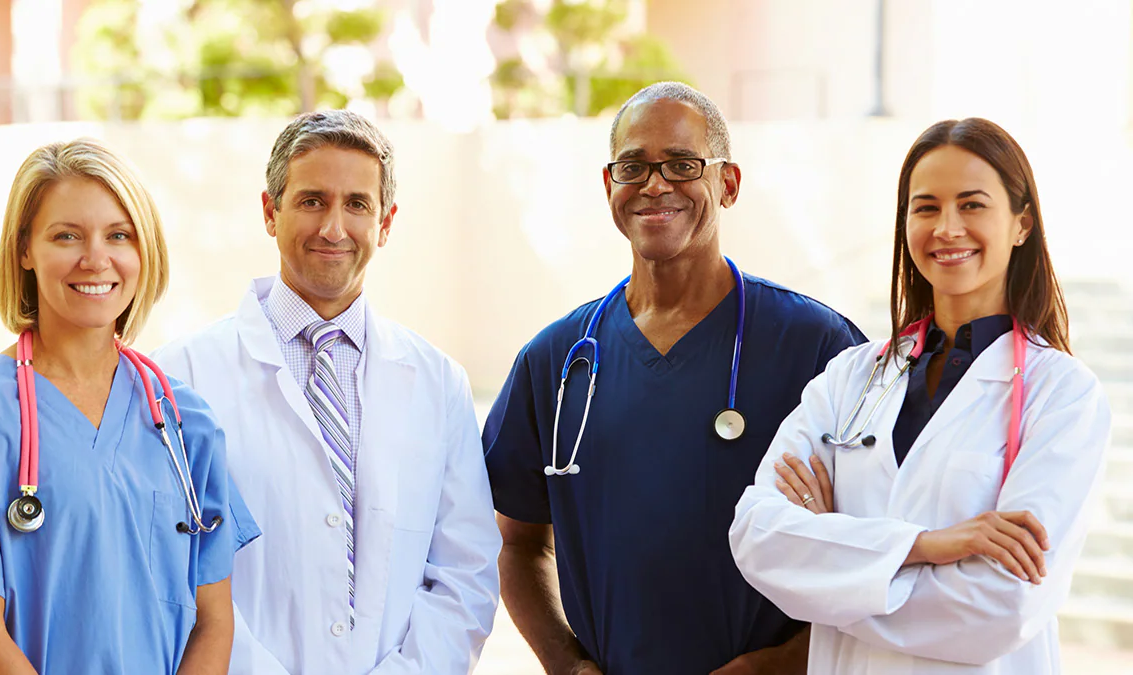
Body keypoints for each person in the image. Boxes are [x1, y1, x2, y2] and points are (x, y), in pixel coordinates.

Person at [483, 81, 866, 675]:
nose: (655, 184)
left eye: (682, 164)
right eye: (632, 166)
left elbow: (877, 542)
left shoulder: (818, 346)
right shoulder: (555, 359)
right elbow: (516, 542)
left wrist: (790, 661)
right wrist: (565, 662)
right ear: (608, 185)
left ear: (728, 184)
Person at [728, 118, 1111, 673]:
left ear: (1022, 223)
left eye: (972, 205)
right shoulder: (850, 377)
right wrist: (927, 546)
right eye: (926, 207)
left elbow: (1000, 608)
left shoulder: (1063, 397)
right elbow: (757, 536)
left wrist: (833, 566)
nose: (947, 228)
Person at [153, 109, 501, 674]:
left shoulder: (439, 383)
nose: (334, 228)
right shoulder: (182, 378)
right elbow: (171, 572)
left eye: (357, 205)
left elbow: (466, 572)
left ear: (385, 223)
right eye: (312, 200)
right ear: (271, 212)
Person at [0, 138, 258, 673]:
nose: (95, 259)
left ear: (142, 251)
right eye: (66, 235)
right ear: (24, 249)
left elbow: (213, 621)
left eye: (118, 235)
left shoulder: (184, 420)